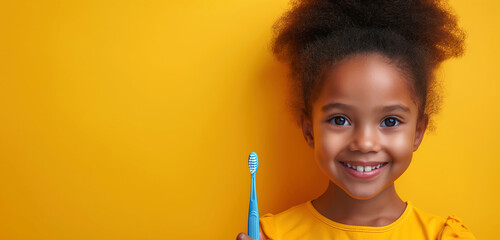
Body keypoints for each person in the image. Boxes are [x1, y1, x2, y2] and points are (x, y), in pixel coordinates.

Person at [237, 0, 476, 239]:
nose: (364, 143)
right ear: (309, 131)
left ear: (418, 132)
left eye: (390, 121)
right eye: (340, 120)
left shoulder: (442, 236)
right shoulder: (270, 235)